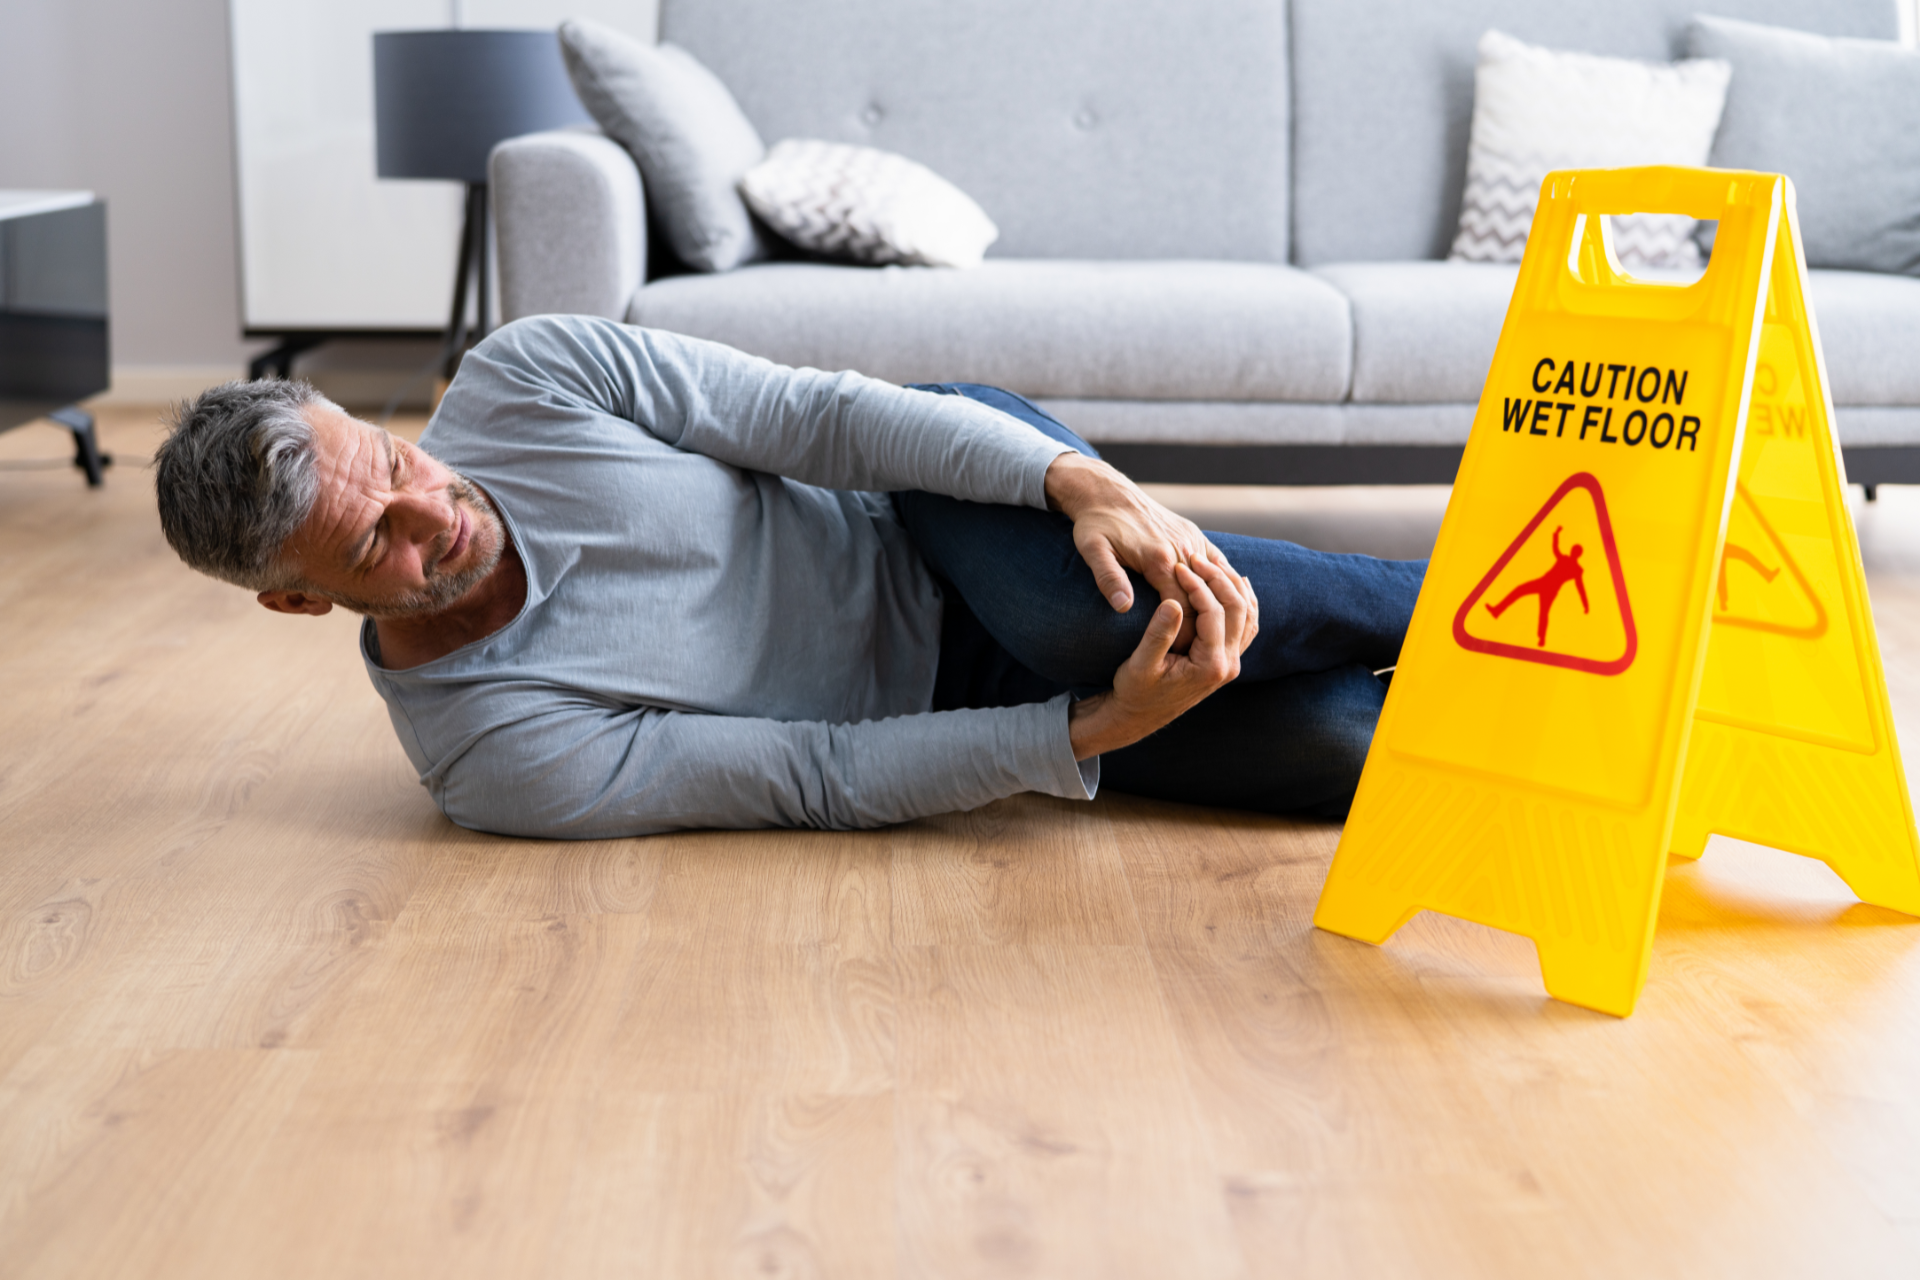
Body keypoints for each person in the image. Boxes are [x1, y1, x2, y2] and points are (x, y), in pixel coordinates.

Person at [154, 315, 1423, 838]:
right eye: (380, 541)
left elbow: (827, 418)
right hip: (944, 697)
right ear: (300, 600)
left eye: (392, 458)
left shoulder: (528, 372)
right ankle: (1565, 721)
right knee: (1334, 748)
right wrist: (1097, 732)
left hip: (935, 510)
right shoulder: (492, 753)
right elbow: (816, 772)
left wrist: (1081, 482)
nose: (435, 507)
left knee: (1074, 609)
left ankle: (1500, 606)